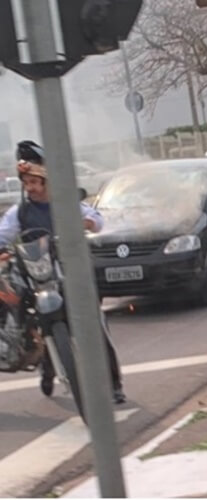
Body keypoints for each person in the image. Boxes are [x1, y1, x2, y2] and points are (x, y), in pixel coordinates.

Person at [0, 140, 126, 404]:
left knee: (94, 325)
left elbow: (96, 219)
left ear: (46, 181)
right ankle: (38, 360)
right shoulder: (20, 212)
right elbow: (3, 234)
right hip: (36, 276)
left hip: (69, 275)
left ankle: (114, 384)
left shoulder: (66, 204)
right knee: (24, 312)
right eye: (26, 183)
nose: (30, 188)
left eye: (35, 182)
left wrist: (89, 222)